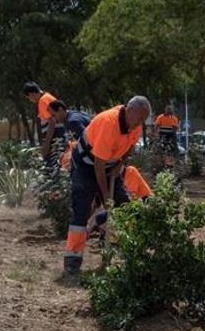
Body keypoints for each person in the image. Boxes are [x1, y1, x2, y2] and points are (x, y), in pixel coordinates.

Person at [64, 96, 151, 275]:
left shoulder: (136, 125)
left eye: (144, 119)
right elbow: (98, 166)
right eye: (140, 118)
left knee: (125, 207)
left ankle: (127, 251)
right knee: (81, 210)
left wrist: (121, 162)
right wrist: (105, 196)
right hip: (85, 166)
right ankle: (73, 259)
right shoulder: (108, 123)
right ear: (129, 110)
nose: (141, 123)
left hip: (110, 167)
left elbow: (130, 145)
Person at [47, 99, 92, 170]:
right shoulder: (71, 115)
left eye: (54, 115)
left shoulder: (72, 122)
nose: (54, 119)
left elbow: (88, 140)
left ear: (60, 109)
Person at [23, 82, 58, 163]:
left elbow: (52, 122)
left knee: (51, 165)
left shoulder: (42, 101)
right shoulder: (48, 97)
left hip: (55, 139)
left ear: (31, 94)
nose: (30, 100)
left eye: (28, 98)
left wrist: (46, 143)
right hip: (57, 137)